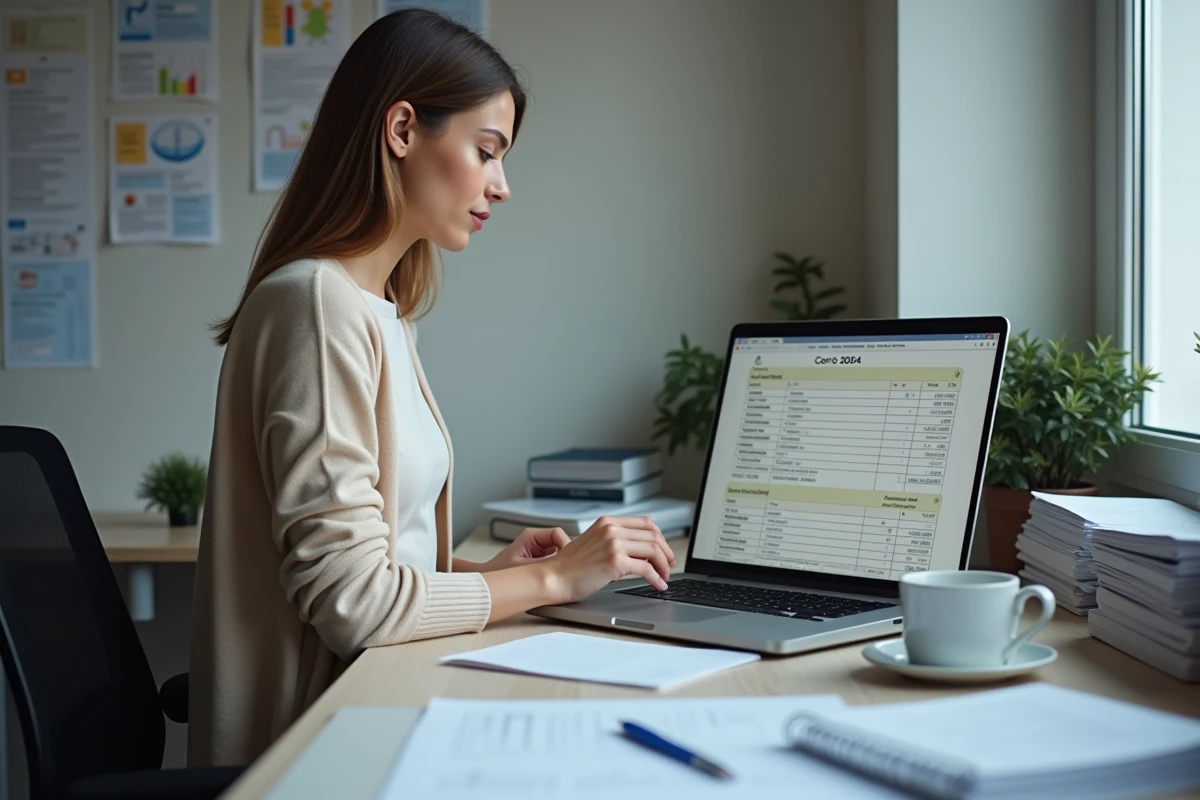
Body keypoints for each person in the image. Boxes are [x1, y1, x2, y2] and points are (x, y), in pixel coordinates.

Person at [189, 9, 675, 767]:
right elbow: (353, 604)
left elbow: (376, 565)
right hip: (312, 745)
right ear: (402, 130)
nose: (501, 186)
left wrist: (494, 576)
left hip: (369, 702)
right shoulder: (316, 304)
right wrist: (555, 576)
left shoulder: (379, 310)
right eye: (486, 151)